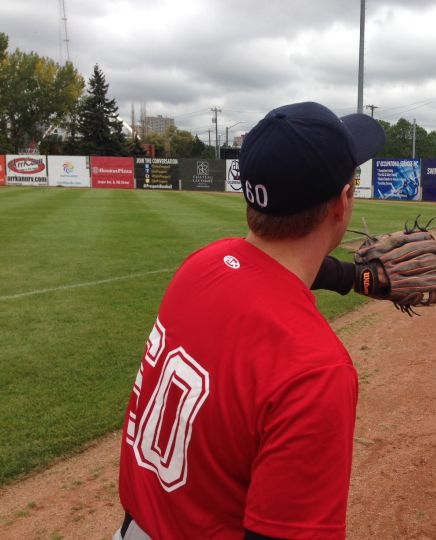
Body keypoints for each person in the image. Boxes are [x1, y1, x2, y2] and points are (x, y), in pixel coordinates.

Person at [115, 101, 386, 540]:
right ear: (342, 202)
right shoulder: (316, 370)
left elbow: (274, 269)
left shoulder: (201, 267)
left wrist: (355, 277)